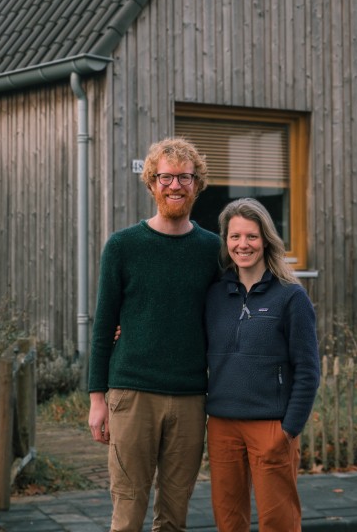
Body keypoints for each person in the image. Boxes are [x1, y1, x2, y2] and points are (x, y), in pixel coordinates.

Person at [88, 137, 220, 532]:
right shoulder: (122, 246)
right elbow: (103, 326)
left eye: (184, 177)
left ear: (197, 184)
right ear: (151, 183)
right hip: (132, 394)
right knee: (128, 514)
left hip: (190, 397)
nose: (175, 186)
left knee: (174, 517)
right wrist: (97, 399)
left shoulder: (212, 250)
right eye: (166, 177)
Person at [205, 198, 320, 532]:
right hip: (222, 425)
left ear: (266, 240)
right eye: (235, 236)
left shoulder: (291, 297)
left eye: (251, 236)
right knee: (228, 521)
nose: (243, 244)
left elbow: (308, 370)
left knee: (279, 522)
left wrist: (289, 429)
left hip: (271, 426)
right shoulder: (214, 295)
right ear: (226, 242)